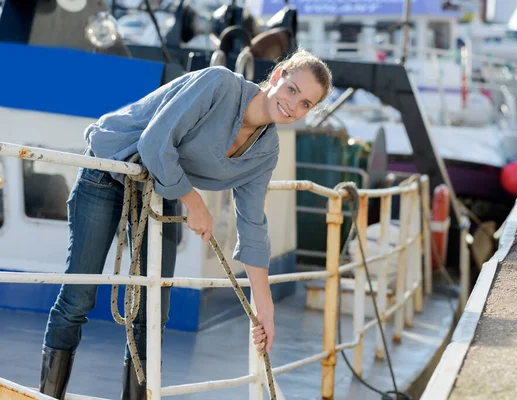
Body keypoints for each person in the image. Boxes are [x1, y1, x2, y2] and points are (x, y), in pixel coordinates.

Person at [39, 49, 333, 400]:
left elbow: (253, 224)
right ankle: (47, 395)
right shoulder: (219, 84)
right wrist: (194, 202)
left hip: (161, 191)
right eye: (293, 90)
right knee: (78, 297)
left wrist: (264, 310)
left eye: (306, 104)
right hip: (110, 170)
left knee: (152, 314)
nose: (293, 105)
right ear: (277, 76)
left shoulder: (266, 151)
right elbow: (154, 142)